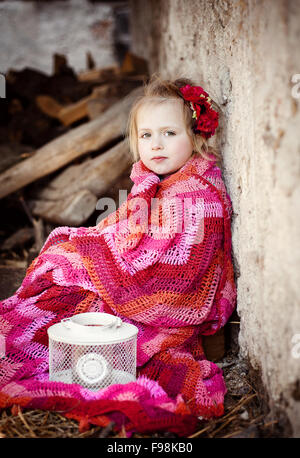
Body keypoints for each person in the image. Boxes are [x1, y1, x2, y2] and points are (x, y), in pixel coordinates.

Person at [0, 74, 237, 432]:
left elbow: (170, 268)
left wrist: (101, 260)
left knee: (72, 291)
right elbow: (129, 231)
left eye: (170, 133)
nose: (156, 144)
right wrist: (93, 247)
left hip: (161, 304)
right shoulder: (159, 179)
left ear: (196, 135)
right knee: (62, 260)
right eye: (146, 135)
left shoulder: (196, 195)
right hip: (131, 279)